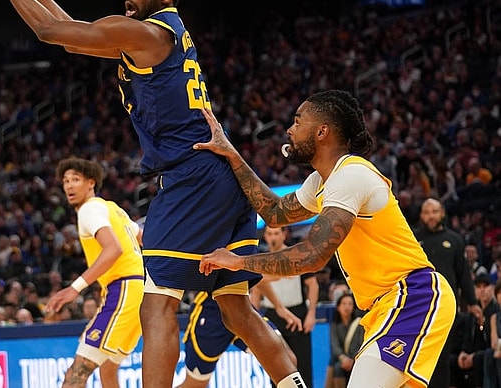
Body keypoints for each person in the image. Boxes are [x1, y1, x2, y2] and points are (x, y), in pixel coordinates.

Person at [0, 0, 305, 388]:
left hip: (191, 177)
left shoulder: (148, 33)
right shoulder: (152, 37)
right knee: (236, 308)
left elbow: (50, 31)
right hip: (217, 174)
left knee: (158, 303)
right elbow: (71, 36)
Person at [196, 89, 458, 388]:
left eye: (298, 121)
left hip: (412, 297)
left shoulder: (351, 175)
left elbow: (312, 256)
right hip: (385, 306)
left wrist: (238, 262)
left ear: (322, 132)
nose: (290, 130)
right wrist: (232, 155)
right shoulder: (322, 181)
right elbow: (274, 212)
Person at [45, 158, 144, 388]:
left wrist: (74, 288)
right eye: (66, 181)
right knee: (108, 369)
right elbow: (145, 238)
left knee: (75, 374)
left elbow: (114, 249)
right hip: (138, 290)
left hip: (124, 288)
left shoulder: (89, 209)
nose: (69, 186)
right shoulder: (113, 209)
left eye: (76, 179)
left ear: (91, 183)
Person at [414, 197, 483, 388]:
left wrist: (473, 302)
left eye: (434, 212)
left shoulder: (455, 240)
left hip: (445, 308)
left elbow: (464, 274)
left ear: (442, 213)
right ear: (421, 215)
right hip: (418, 306)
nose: (431, 216)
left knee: (442, 357)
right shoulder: (412, 239)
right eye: (427, 212)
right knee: (417, 357)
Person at [178, 286, 300, 388]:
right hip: (212, 312)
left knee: (288, 359)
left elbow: (261, 277)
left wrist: (278, 306)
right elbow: (263, 276)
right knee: (195, 384)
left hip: (243, 309)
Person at [253, 226, 319, 387]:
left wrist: (311, 313)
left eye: (276, 233)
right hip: (272, 315)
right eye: (270, 234)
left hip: (297, 312)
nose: (273, 237)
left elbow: (313, 285)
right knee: (276, 365)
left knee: (302, 363)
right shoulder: (260, 259)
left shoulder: (296, 255)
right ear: (265, 236)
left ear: (284, 234)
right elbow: (257, 288)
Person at [328, 293, 365, 388]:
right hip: (342, 359)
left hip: (356, 358)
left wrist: (352, 359)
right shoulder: (334, 326)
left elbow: (361, 344)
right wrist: (343, 359)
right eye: (344, 304)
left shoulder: (359, 324)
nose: (347, 307)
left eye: (350, 304)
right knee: (335, 365)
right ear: (338, 307)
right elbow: (335, 346)